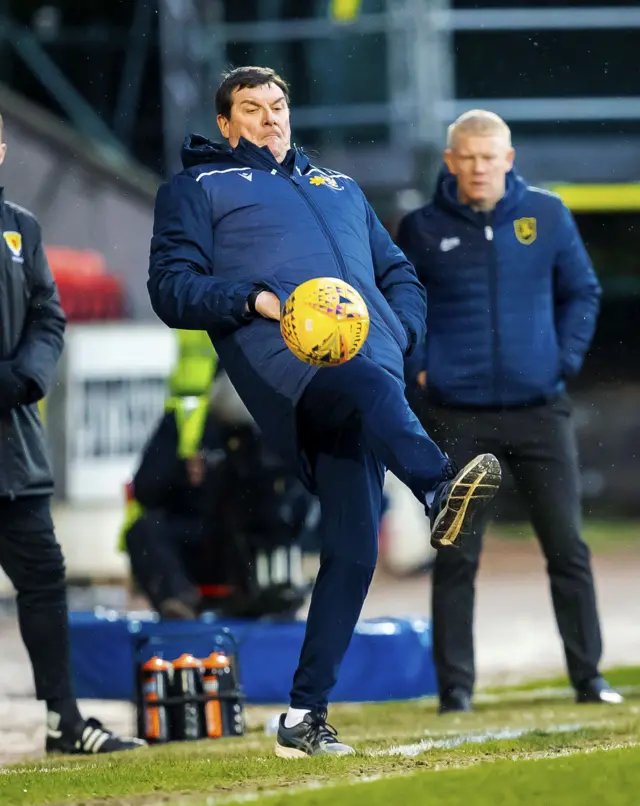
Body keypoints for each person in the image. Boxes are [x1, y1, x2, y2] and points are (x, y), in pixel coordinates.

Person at [147, 66, 501, 758]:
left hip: (370, 371)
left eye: (277, 105)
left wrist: (399, 333)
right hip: (293, 376)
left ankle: (302, 717)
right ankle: (435, 487)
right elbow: (171, 289)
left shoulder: (338, 186)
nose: (270, 118)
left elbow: (397, 271)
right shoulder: (198, 188)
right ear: (226, 124)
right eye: (251, 109)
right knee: (370, 392)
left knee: (353, 550)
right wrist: (254, 300)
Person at [396, 109, 622, 713]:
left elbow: (583, 291)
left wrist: (563, 360)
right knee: (456, 553)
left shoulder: (546, 215)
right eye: (466, 157)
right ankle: (456, 693)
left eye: (488, 157)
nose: (477, 168)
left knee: (567, 548)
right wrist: (421, 366)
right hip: (458, 415)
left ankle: (589, 678)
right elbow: (398, 303)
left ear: (508, 159)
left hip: (540, 409)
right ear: (450, 162)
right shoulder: (419, 227)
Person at [0, 114, 145, 754]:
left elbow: (46, 314)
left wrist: (27, 375)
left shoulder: (20, 227)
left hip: (12, 445)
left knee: (43, 580)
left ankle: (64, 720)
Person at [125, 370, 312, 620]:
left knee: (277, 526)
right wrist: (182, 473)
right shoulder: (185, 420)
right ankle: (177, 602)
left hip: (249, 542)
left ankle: (273, 596)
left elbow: (301, 506)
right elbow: (144, 488)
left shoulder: (277, 428)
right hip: (197, 536)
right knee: (145, 529)